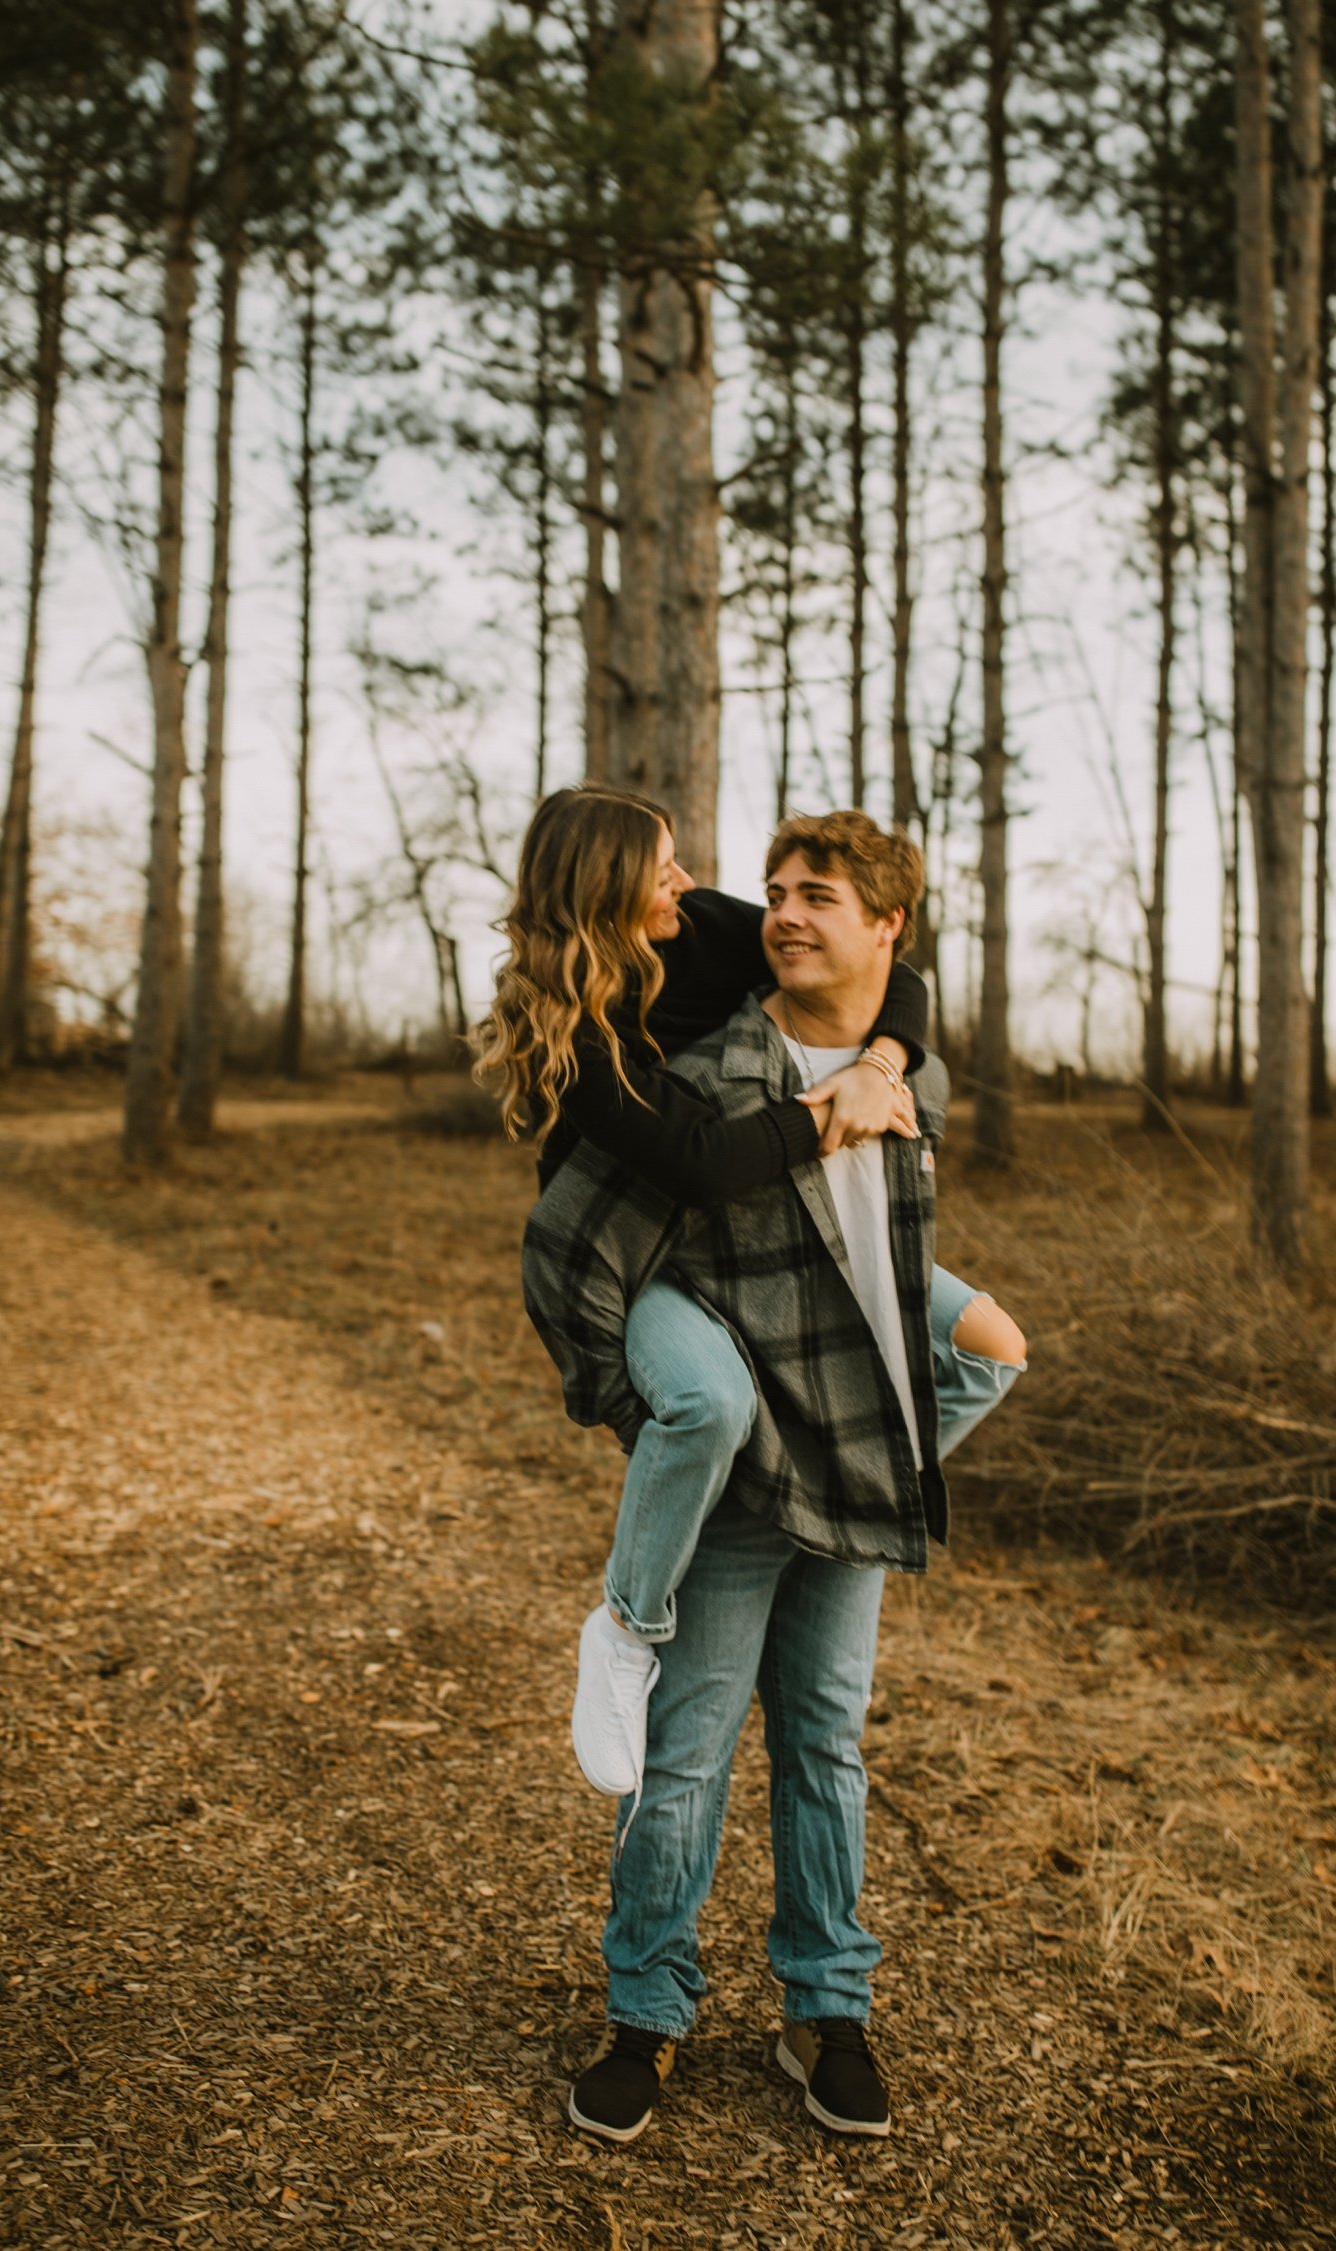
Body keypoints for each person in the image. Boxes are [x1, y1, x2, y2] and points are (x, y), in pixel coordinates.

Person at [521, 810, 1026, 2145]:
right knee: (683, 1760)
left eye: (821, 895)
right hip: (749, 1452)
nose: (783, 911)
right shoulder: (706, 1049)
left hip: (849, 1461)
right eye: (779, 891)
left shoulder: (921, 1075)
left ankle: (828, 2007)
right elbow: (677, 1188)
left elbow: (903, 1032)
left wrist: (886, 1057)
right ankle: (646, 2011)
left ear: (885, 926)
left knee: (825, 1748)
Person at [475, 786, 959, 1791]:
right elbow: (697, 1159)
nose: (688, 883)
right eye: (663, 868)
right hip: (625, 1254)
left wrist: (882, 1058)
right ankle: (624, 1628)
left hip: (739, 1230)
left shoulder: (701, 929)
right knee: (710, 1400)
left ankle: (832, 1465)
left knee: (972, 1343)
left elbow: (890, 966)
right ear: (610, 889)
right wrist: (833, 1113)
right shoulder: (575, 1025)